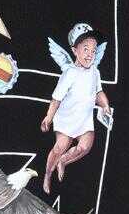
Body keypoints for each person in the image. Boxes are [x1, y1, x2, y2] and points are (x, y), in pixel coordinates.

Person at [41, 23, 113, 192]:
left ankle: (63, 161)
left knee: (86, 146)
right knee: (60, 147)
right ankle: (48, 174)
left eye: (93, 51)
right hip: (67, 119)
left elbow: (98, 92)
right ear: (74, 50)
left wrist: (105, 105)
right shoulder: (70, 73)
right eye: (86, 49)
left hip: (84, 119)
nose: (90, 54)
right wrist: (48, 117)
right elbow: (56, 99)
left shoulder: (95, 72)